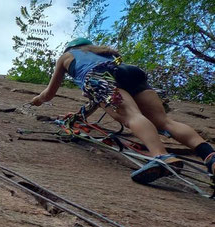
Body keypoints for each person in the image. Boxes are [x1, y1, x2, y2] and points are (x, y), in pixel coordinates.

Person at [31, 38, 215, 185]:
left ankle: (161, 156)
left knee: (132, 116)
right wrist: (81, 115)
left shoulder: (67, 56)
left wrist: (38, 100)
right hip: (130, 73)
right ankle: (210, 156)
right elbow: (105, 95)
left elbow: (50, 93)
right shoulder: (104, 54)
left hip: (99, 76)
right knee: (165, 122)